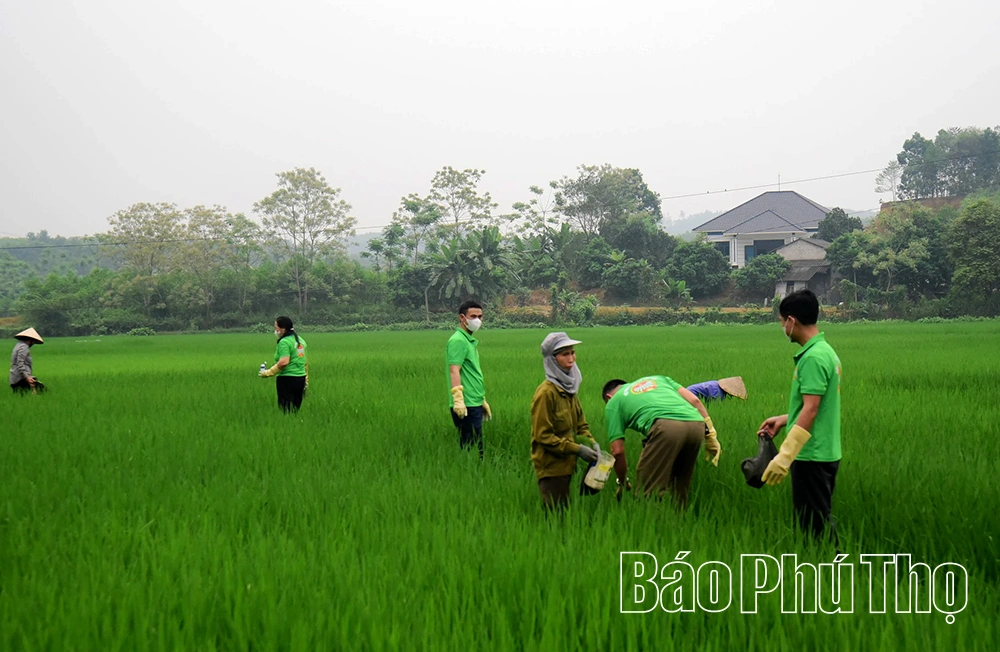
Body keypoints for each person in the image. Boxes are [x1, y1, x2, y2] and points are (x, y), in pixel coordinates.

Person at [758, 289, 842, 542]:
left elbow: (811, 409)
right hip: (824, 450)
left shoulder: (813, 358)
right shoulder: (825, 351)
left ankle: (830, 563)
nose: (782, 328)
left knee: (815, 529)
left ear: (792, 321)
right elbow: (818, 405)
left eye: (782, 322)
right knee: (817, 520)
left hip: (811, 454)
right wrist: (785, 419)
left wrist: (785, 455)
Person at [602, 375, 721, 507]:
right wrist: (711, 434)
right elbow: (695, 400)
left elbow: (617, 451)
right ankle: (679, 517)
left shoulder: (613, 402)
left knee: (647, 492)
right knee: (679, 488)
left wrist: (622, 481)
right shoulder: (659, 379)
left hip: (667, 428)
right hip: (697, 425)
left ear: (609, 397)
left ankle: (649, 517)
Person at [530, 332, 601, 510]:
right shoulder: (546, 393)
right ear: (552, 360)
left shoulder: (570, 390)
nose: (571, 359)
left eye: (572, 353)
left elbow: (581, 425)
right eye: (565, 354)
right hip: (551, 467)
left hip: (569, 464)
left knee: (567, 512)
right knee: (556, 514)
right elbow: (543, 436)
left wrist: (591, 443)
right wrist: (578, 449)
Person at [446, 300, 491, 458]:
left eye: (480, 316)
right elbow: (454, 370)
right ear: (462, 317)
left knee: (474, 447)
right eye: (473, 316)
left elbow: (471, 373)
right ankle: (470, 470)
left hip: (474, 401)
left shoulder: (468, 340)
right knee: (471, 449)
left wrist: (480, 398)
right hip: (466, 404)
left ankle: (473, 469)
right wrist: (458, 399)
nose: (477, 320)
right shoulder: (458, 341)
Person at [259, 316, 309, 413]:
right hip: (300, 379)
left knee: (285, 410)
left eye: (276, 327)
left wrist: (268, 372)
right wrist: (306, 378)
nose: (275, 330)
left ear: (283, 328)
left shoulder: (284, 342)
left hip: (287, 379)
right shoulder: (300, 341)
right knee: (295, 410)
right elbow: (303, 360)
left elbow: (284, 362)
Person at [10, 327, 44, 394]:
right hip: (20, 379)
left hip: (16, 377)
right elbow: (20, 363)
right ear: (31, 340)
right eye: (34, 341)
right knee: (42, 390)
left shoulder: (18, 345)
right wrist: (27, 377)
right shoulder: (24, 347)